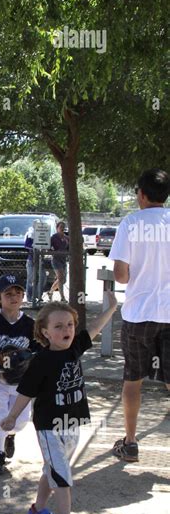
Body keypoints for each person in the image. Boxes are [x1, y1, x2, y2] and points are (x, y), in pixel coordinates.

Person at [0, 294, 118, 514]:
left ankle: (37, 509)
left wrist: (111, 308)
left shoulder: (75, 347)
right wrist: (11, 416)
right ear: (45, 332)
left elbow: (95, 327)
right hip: (49, 427)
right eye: (59, 326)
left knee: (52, 469)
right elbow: (26, 392)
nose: (67, 330)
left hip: (73, 422)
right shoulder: (40, 361)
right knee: (62, 474)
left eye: (70, 325)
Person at [109, 168, 170, 462]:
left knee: (133, 379)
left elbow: (121, 276)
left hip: (138, 313)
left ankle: (130, 443)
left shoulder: (130, 223)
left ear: (142, 194)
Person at [0, 274, 39, 475]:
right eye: (8, 293)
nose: (14, 297)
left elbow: (38, 349)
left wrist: (28, 359)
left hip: (22, 382)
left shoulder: (30, 324)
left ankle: (9, 435)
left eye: (18, 293)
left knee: (19, 422)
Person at [24, 226, 46, 304]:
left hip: (40, 260)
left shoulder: (44, 234)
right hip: (31, 260)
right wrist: (35, 246)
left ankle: (38, 296)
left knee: (43, 278)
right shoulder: (30, 234)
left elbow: (46, 245)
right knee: (31, 279)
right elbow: (26, 245)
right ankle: (29, 297)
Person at [48, 221, 69, 302]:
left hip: (64, 260)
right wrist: (54, 252)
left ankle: (50, 292)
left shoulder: (67, 238)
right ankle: (62, 297)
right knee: (60, 278)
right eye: (61, 227)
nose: (62, 229)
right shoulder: (53, 237)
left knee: (63, 280)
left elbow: (69, 248)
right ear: (57, 228)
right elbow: (48, 248)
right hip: (56, 260)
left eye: (63, 227)